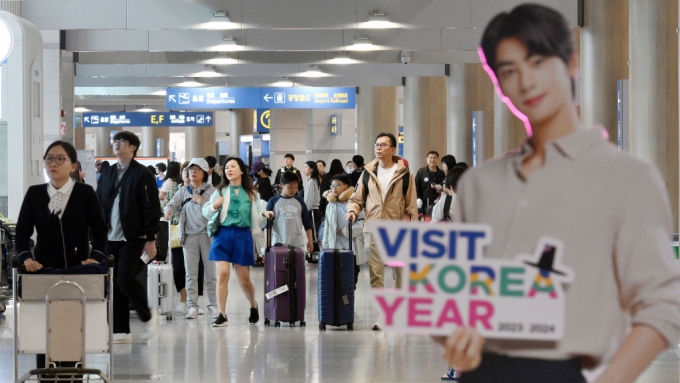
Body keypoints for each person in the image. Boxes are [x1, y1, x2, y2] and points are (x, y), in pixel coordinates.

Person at [440, 5, 680, 383]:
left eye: (537, 62)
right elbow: (462, 287)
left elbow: (663, 305)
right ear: (499, 84)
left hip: (564, 371)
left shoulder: (628, 179)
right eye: (508, 71)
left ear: (571, 63)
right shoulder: (480, 184)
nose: (526, 82)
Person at [15, 140, 109, 373]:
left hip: (79, 272)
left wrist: (96, 257)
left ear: (73, 165)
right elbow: (22, 233)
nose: (53, 163)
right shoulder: (35, 194)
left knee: (73, 330)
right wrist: (27, 259)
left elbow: (99, 230)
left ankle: (74, 375)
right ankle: (45, 376)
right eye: (49, 158)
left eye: (60, 159)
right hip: (43, 272)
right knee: (44, 332)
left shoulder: (85, 193)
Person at [346, 132, 417, 330]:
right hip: (373, 228)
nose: (378, 148)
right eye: (376, 144)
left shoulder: (405, 174)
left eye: (383, 145)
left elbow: (411, 206)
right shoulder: (368, 173)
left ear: (393, 149)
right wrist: (352, 211)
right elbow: (357, 198)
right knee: (376, 274)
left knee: (399, 274)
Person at [97, 131, 161, 344]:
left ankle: (147, 315)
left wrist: (150, 238)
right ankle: (120, 330)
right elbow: (99, 205)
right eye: (114, 141)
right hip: (109, 237)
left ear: (133, 147)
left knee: (124, 277)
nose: (116, 144)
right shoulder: (107, 173)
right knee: (113, 284)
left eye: (121, 141)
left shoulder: (142, 174)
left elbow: (152, 206)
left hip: (134, 237)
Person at [203, 157, 266, 327]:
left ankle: (253, 305)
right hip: (222, 234)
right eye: (227, 168)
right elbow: (206, 211)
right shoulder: (221, 191)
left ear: (242, 170)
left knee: (244, 279)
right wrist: (214, 206)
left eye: (233, 166)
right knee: (222, 274)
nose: (229, 170)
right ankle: (222, 314)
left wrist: (265, 215)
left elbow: (260, 215)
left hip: (242, 235)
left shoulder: (252, 193)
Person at [164, 158, 218, 320]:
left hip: (208, 237)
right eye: (190, 169)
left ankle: (213, 305)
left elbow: (218, 209)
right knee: (191, 274)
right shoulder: (183, 191)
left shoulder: (212, 190)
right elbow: (171, 205)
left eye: (197, 169)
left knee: (210, 273)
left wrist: (203, 202)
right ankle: (192, 306)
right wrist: (168, 211)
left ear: (204, 172)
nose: (192, 172)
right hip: (188, 237)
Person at [321, 174, 363, 288]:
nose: (334, 188)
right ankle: (338, 301)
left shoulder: (355, 203)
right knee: (336, 276)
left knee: (352, 275)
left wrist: (346, 231)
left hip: (352, 246)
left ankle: (348, 299)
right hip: (334, 245)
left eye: (337, 185)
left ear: (346, 187)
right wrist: (325, 245)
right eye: (332, 185)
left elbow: (363, 223)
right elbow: (328, 226)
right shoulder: (331, 204)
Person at [264, 171, 314, 255]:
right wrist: (267, 244)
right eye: (290, 187)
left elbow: (307, 223)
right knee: (280, 267)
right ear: (282, 185)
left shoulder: (300, 201)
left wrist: (310, 241)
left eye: (296, 187)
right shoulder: (273, 201)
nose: (294, 190)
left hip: (297, 243)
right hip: (279, 243)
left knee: (298, 267)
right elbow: (268, 225)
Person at [302, 161, 321, 237]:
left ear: (312, 169)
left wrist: (305, 211)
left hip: (312, 210)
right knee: (313, 232)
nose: (304, 169)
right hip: (313, 209)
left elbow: (310, 200)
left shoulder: (311, 181)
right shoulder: (313, 180)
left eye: (306, 167)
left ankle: (314, 248)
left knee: (313, 233)